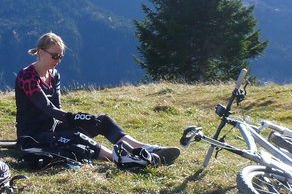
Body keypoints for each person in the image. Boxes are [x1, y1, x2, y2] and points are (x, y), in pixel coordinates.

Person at [14, 32, 180, 168]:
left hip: (52, 127)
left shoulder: (54, 74)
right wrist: (74, 118)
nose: (58, 61)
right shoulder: (27, 76)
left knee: (102, 121)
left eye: (61, 57)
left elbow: (57, 107)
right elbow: (48, 108)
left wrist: (83, 119)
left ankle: (144, 148)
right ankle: (121, 158)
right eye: (54, 56)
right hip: (33, 135)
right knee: (77, 136)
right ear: (41, 52)